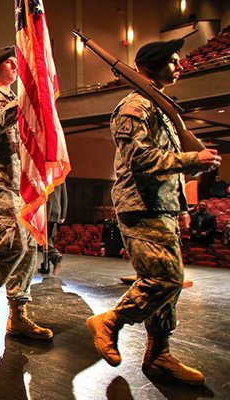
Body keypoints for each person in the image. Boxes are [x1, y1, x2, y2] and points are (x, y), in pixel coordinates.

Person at [86, 38, 221, 386]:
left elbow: (168, 168)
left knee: (169, 290)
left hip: (162, 207)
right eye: (173, 61)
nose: (179, 66)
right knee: (166, 279)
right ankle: (110, 321)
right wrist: (193, 157)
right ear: (150, 65)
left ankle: (159, 355)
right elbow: (141, 160)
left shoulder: (160, 108)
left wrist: (185, 201)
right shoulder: (135, 108)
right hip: (140, 208)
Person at [0, 46, 53, 340]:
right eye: (10, 62)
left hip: (23, 182)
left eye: (17, 62)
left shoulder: (18, 100)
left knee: (29, 249)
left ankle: (18, 315)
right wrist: (26, 99)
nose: (16, 66)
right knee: (14, 243)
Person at [38, 182, 67, 275]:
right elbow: (64, 196)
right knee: (49, 239)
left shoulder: (43, 172)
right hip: (56, 211)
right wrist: (63, 214)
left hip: (45, 210)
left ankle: (55, 256)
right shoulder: (59, 173)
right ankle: (46, 266)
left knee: (39, 239)